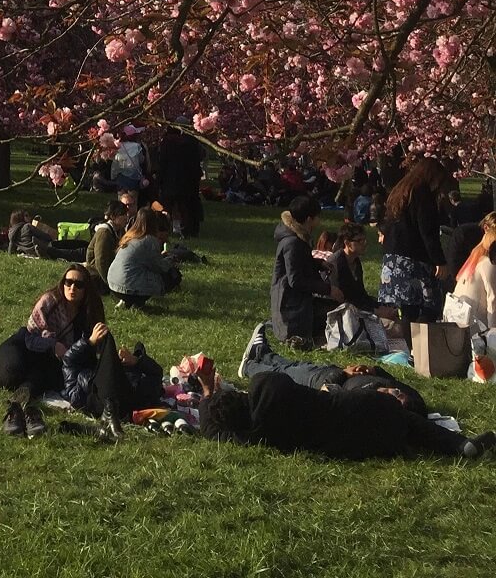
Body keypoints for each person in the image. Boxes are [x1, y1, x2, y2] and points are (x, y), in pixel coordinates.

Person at [198, 370, 494, 460]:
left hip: (361, 448)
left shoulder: (257, 436)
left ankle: (448, 445)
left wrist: (207, 397)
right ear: (239, 395)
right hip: (364, 409)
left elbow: (211, 430)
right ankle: (456, 444)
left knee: (401, 427)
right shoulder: (265, 385)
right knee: (404, 418)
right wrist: (211, 388)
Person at [0, 264, 100, 438]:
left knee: (42, 378)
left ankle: (19, 404)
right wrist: (53, 345)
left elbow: (86, 352)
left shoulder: (88, 315)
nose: (72, 288)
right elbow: (30, 338)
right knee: (12, 374)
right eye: (68, 282)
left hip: (49, 363)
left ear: (86, 289)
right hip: (23, 347)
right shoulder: (49, 301)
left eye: (78, 284)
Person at [235, 321, 427, 415]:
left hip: (328, 380)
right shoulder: (414, 400)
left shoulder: (363, 400)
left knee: (289, 373)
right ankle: (263, 353)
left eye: (394, 395)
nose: (395, 391)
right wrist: (372, 370)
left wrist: (343, 373)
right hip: (336, 372)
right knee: (296, 365)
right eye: (398, 392)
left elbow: (331, 397)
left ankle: (250, 366)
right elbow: (397, 384)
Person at [378, 156, 451, 328]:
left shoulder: (401, 191)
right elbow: (428, 231)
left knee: (408, 308)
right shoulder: (423, 193)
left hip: (393, 257)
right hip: (414, 258)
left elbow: (386, 219)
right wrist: (439, 260)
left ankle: (411, 349)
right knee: (429, 306)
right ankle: (421, 347)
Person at [269, 195, 338, 347]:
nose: (319, 221)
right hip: (291, 309)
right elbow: (295, 280)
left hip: (296, 303)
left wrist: (318, 264)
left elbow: (298, 263)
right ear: (308, 219)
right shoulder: (292, 242)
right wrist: (328, 289)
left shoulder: (297, 238)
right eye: (317, 217)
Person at [106, 207, 179, 308]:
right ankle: (137, 302)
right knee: (170, 275)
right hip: (130, 287)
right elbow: (159, 267)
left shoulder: (129, 236)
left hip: (113, 284)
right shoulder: (149, 240)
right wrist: (170, 259)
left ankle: (125, 301)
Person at [155, 123, 204, 236]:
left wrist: (159, 179)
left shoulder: (166, 143)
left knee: (168, 205)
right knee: (184, 206)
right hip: (186, 180)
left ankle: (167, 227)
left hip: (169, 179)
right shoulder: (191, 142)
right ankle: (185, 228)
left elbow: (162, 162)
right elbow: (198, 159)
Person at [326, 222, 386, 313]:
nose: (365, 243)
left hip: (356, 310)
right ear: (347, 243)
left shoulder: (355, 261)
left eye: (365, 239)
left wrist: (379, 306)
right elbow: (341, 300)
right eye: (360, 240)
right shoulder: (335, 264)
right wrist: (374, 311)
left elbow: (360, 294)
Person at [453, 212, 496, 331]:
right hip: (475, 328)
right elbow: (493, 299)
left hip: (457, 322)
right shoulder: (489, 262)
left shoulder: (474, 257)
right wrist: (493, 333)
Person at [7, 210, 86, 261]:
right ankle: (85, 250)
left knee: (66, 249)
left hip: (34, 251)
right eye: (26, 216)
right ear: (20, 218)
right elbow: (45, 236)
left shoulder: (11, 233)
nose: (29, 217)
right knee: (70, 247)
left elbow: (11, 251)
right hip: (45, 247)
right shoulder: (27, 227)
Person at [87, 201, 129, 284]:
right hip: (97, 273)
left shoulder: (120, 230)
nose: (126, 217)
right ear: (113, 216)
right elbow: (100, 261)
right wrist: (108, 282)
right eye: (123, 214)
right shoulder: (104, 232)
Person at [111, 124, 148, 193]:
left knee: (122, 198)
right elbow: (141, 160)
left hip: (121, 176)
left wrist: (113, 175)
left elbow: (116, 162)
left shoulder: (119, 146)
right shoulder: (136, 146)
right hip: (134, 177)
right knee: (132, 198)